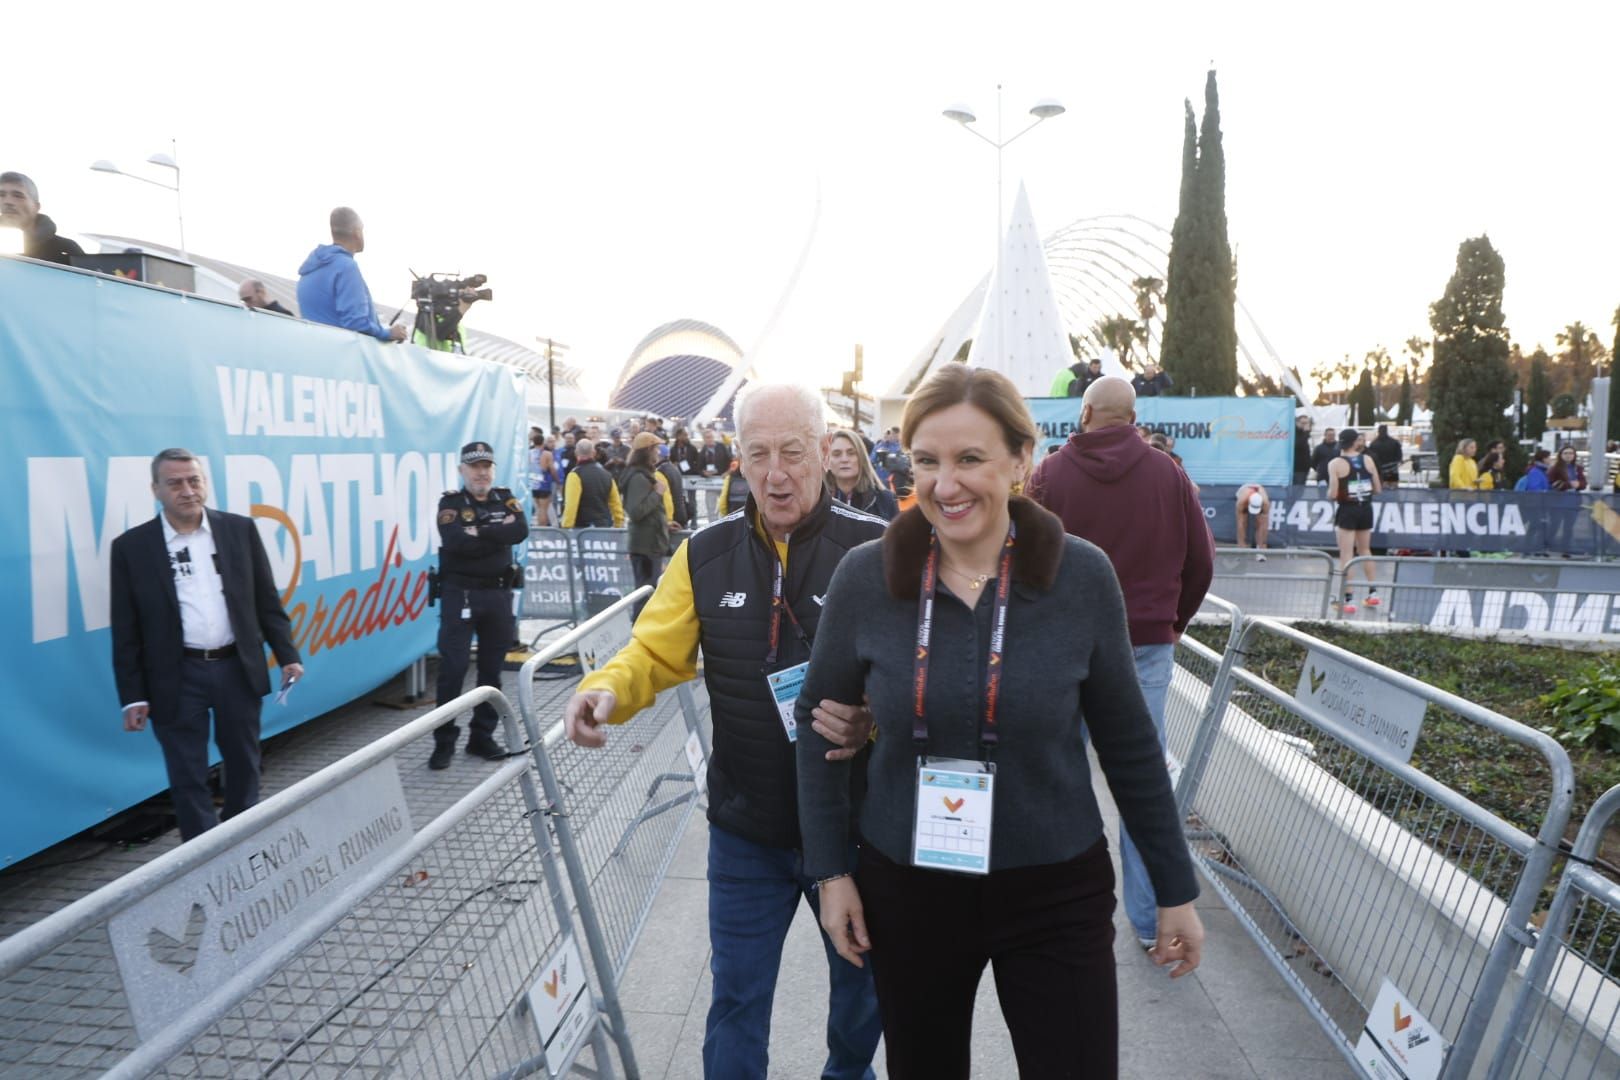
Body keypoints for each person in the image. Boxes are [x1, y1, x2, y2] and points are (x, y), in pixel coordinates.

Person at [799, 366, 1203, 1078]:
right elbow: (819, 728)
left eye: (970, 459)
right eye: (926, 461)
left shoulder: (1082, 577)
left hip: (1053, 885)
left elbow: (1131, 746)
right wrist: (832, 872)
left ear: (1021, 461)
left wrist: (1175, 889)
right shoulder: (867, 579)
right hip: (910, 883)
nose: (945, 485)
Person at [564, 383, 887, 1080]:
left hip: (858, 831)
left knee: (863, 999)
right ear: (737, 458)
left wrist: (877, 721)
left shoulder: (877, 549)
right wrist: (605, 690)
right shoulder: (704, 554)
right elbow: (654, 652)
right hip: (748, 832)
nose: (776, 473)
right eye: (758, 453)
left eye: (793, 453)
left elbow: (923, 679)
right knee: (737, 1002)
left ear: (825, 453)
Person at [1026, 375, 1214, 951]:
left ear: (1084, 413)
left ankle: (1053, 911)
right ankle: (1151, 919)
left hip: (1067, 650)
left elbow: (1025, 563)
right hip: (1145, 649)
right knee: (1143, 784)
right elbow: (1201, 561)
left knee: (1055, 777)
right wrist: (1170, 624)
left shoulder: (1051, 475)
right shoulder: (1169, 474)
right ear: (1133, 416)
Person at [110, 448, 303, 840]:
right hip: (175, 676)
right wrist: (132, 695)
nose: (187, 490)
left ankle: (241, 841)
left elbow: (266, 600)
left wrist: (287, 655)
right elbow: (126, 629)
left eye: (194, 480)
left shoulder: (238, 530)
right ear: (156, 489)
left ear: (205, 484)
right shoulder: (132, 547)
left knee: (245, 762)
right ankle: (199, 856)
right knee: (187, 773)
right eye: (175, 483)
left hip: (236, 666)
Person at [430, 441, 528, 770]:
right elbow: (454, 541)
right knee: (453, 670)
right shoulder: (451, 502)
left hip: (498, 597)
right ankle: (444, 741)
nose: (481, 472)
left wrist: (478, 533)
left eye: (486, 466)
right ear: (463, 470)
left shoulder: (505, 497)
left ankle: (481, 737)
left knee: (491, 672)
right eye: (475, 466)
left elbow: (520, 530)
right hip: (461, 595)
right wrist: (495, 532)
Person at [295, 207, 408, 343]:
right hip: (340, 355)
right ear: (357, 232)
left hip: (314, 349)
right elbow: (355, 322)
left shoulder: (310, 269)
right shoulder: (346, 267)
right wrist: (387, 333)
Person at [1327, 429, 1382, 614]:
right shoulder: (1367, 460)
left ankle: (1348, 598)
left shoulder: (1335, 463)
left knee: (1346, 554)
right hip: (1365, 508)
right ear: (1355, 442)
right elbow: (1378, 489)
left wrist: (1334, 494)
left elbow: (1333, 494)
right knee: (1365, 550)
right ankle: (1373, 593)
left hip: (1348, 510)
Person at [620, 433, 673, 618]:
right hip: (645, 546)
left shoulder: (643, 475)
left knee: (648, 592)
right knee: (645, 593)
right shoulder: (638, 478)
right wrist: (657, 493)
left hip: (650, 542)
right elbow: (636, 511)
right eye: (656, 448)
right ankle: (639, 635)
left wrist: (665, 523)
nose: (658, 452)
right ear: (648, 451)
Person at [0, 171, 84, 265]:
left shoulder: (66, 249)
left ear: (36, 207)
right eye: (1, 195)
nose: (8, 202)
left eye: (18, 196)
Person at [826, 428, 899, 521]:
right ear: (826, 460)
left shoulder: (885, 500)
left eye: (851, 453)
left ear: (862, 458)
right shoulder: (816, 502)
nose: (844, 459)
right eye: (836, 454)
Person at [560, 440, 624, 528]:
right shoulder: (607, 475)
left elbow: (571, 505)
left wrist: (566, 526)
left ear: (576, 453)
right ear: (594, 453)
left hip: (582, 530)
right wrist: (618, 524)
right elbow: (616, 503)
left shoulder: (575, 475)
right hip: (603, 526)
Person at [529, 429, 559, 526]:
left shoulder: (529, 453)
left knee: (538, 508)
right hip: (544, 484)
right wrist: (557, 480)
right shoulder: (547, 454)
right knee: (543, 509)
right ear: (543, 442)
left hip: (533, 483)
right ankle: (543, 530)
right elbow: (552, 468)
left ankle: (540, 528)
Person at [1235, 483, 1271, 555]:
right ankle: (1241, 548)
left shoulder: (1265, 503)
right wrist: (1241, 543)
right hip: (1244, 492)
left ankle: (1260, 548)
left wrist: (1263, 543)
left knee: (1261, 523)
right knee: (1242, 521)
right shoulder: (1241, 502)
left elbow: (1265, 525)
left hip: (1259, 492)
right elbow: (1240, 524)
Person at [1368, 424, 1404, 489]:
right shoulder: (1394, 442)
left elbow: (1371, 457)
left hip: (1380, 469)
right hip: (1393, 468)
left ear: (1378, 431)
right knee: (1394, 488)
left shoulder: (1373, 444)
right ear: (1387, 431)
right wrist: (1399, 460)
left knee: (1382, 489)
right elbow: (1399, 456)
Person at [1293, 414, 1314, 485]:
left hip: (1304, 468)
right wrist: (1306, 432)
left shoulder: (1304, 433)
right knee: (1297, 491)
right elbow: (1298, 444)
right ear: (1297, 423)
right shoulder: (1295, 432)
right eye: (1303, 423)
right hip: (1297, 468)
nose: (1305, 425)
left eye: (1306, 423)